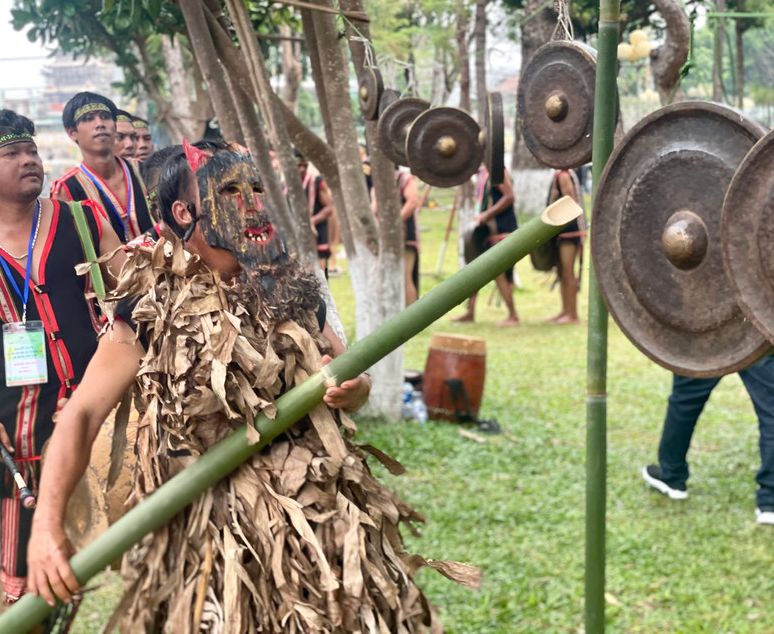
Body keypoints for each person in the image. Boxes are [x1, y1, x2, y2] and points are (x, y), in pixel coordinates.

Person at [27, 139, 477, 630]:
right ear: (183, 213)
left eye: (258, 189)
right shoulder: (150, 307)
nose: (253, 205)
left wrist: (355, 390)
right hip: (210, 541)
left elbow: (353, 377)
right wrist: (45, 527)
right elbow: (82, 414)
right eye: (230, 192)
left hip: (320, 525)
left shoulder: (292, 286)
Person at [0, 108, 125, 618]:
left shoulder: (82, 222)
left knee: (137, 556)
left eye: (31, 150)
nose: (29, 159)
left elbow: (136, 297)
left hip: (106, 423)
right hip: (21, 443)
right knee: (27, 597)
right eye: (12, 153)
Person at [642, 352, 774, 526]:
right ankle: (770, 503)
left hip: (708, 342)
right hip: (761, 340)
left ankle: (671, 475)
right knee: (772, 413)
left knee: (685, 401)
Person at [50, 92, 155, 243]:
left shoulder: (145, 170)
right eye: (88, 118)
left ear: (114, 126)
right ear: (72, 132)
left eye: (105, 117)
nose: (100, 124)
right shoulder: (66, 190)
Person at [452, 166, 519, 325]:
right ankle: (470, 312)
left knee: (499, 272)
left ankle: (513, 315)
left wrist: (486, 215)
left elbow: (509, 196)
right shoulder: (483, 173)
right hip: (487, 231)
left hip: (502, 229)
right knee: (476, 269)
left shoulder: (498, 171)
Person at [546, 168, 585, 324]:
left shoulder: (563, 175)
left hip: (570, 231)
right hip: (562, 231)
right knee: (562, 272)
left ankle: (572, 314)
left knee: (568, 272)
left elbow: (570, 203)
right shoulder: (560, 174)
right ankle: (565, 310)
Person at [296, 150, 334, 278]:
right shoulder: (285, 185)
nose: (302, 169)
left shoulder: (316, 181)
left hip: (318, 230)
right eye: (299, 165)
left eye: (305, 165)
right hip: (296, 232)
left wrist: (312, 221)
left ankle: (325, 288)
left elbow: (329, 207)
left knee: (322, 271)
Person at [397, 166, 421, 306]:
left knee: (405, 277)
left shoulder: (405, 179)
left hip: (406, 236)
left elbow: (412, 202)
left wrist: (395, 223)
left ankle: (412, 315)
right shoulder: (379, 180)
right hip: (386, 239)